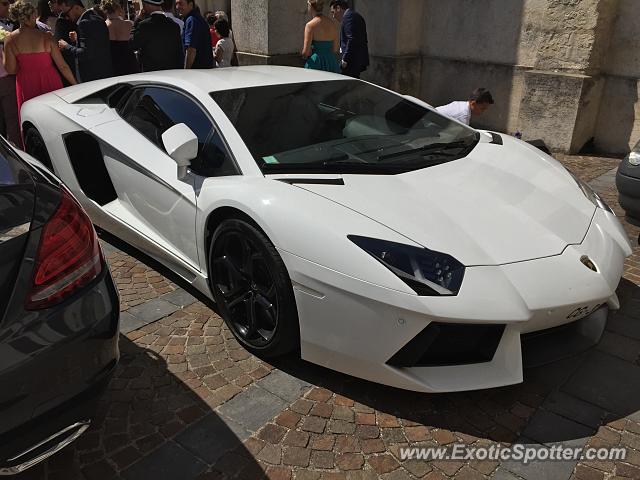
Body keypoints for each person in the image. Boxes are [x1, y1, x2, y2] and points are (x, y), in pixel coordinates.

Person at [3, 0, 76, 127]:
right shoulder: (46, 36)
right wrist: (75, 84)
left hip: (26, 83)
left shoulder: (10, 40)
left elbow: (11, 70)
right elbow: (62, 66)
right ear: (31, 16)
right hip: (50, 79)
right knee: (56, 120)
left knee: (33, 122)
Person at [58, 0, 113, 82]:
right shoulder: (97, 18)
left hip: (92, 77)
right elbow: (95, 46)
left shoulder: (84, 23)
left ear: (76, 7)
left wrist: (66, 46)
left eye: (66, 14)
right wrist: (77, 40)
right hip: (104, 73)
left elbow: (85, 53)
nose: (66, 17)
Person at [130, 0, 183, 71]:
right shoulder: (174, 25)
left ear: (147, 5)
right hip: (172, 73)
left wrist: (137, 20)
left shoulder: (144, 25)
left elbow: (132, 44)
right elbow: (179, 52)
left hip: (153, 74)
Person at [329, 0, 368, 78]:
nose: (333, 16)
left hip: (351, 61)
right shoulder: (355, 15)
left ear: (338, 8)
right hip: (356, 60)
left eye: (333, 12)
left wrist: (345, 60)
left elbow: (351, 39)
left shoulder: (348, 17)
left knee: (347, 85)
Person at [0, 0, 20, 146]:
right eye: (4, 3)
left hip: (8, 77)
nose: (9, 7)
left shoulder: (12, 26)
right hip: (5, 77)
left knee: (12, 118)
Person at [302, 0, 339, 73]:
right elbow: (335, 49)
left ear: (310, 7)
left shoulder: (310, 26)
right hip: (331, 62)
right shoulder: (332, 24)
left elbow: (306, 52)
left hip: (316, 62)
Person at [102, 0, 137, 75]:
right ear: (118, 10)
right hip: (129, 59)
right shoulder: (129, 24)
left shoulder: (103, 26)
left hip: (112, 61)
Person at [175, 0, 212, 69]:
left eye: (180, 3)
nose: (177, 7)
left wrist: (186, 72)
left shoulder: (192, 20)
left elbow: (191, 50)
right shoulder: (194, 18)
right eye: (176, 4)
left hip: (197, 73)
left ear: (190, 5)